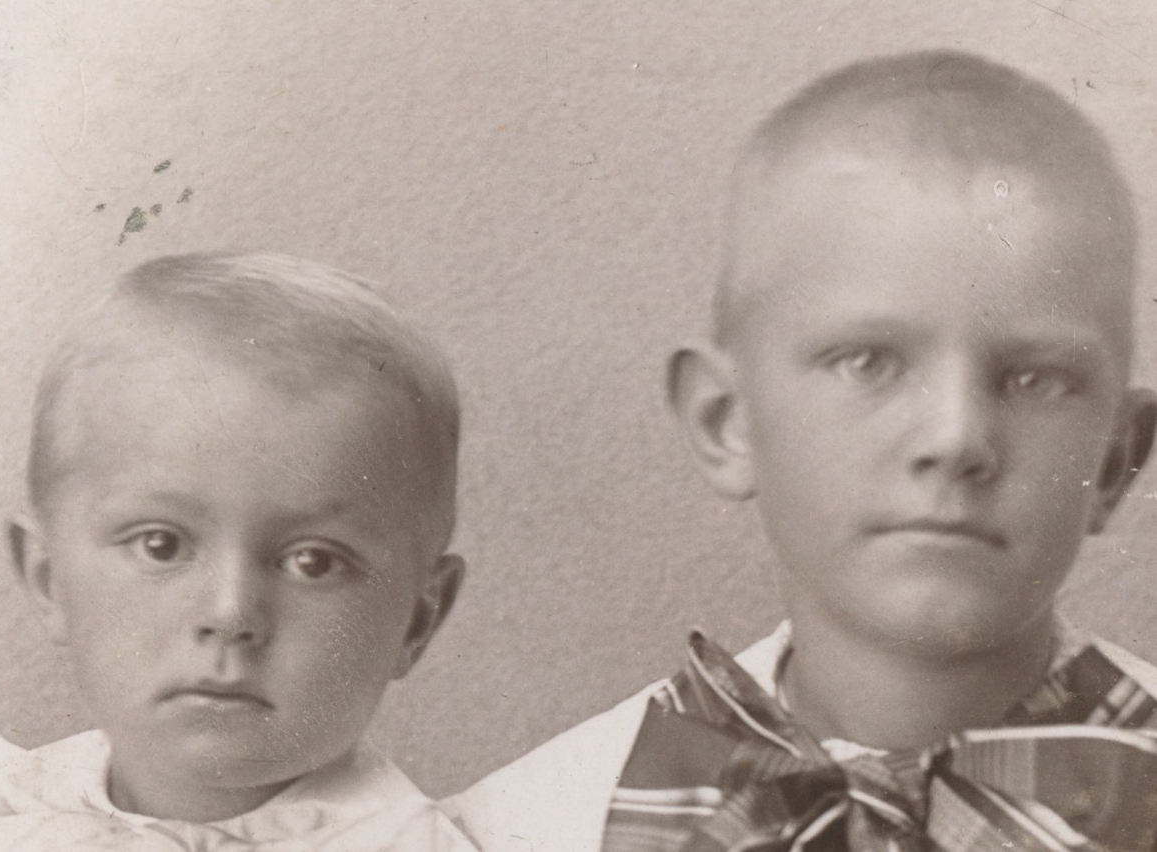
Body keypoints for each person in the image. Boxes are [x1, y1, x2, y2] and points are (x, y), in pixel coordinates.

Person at [447, 50, 1157, 850]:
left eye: (1036, 379)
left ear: (1117, 458)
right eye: (868, 362)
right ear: (727, 421)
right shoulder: (517, 829)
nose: (956, 436)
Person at [0, 252, 474, 850]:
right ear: (47, 579)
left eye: (313, 562)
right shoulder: (18, 806)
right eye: (161, 545)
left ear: (418, 620)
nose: (230, 614)